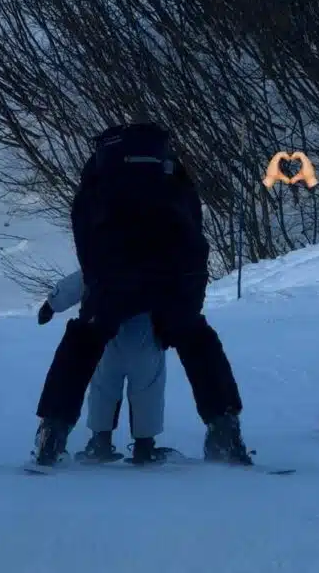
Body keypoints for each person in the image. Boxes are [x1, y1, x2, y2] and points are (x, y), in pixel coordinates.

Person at [31, 117, 251, 466]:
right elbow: (194, 226)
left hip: (113, 275)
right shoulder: (169, 171)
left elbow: (84, 231)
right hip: (175, 275)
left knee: (83, 343)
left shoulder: (102, 174)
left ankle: (52, 432)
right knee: (197, 341)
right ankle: (224, 429)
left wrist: (91, 286)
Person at [38, 269, 167, 464]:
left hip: (106, 327)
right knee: (147, 388)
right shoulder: (158, 258)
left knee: (103, 387)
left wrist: (52, 303)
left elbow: (82, 279)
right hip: (146, 330)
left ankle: (100, 441)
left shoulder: (106, 256)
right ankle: (144, 445)